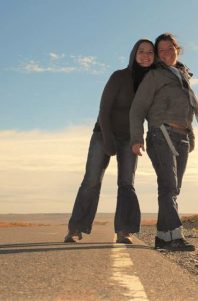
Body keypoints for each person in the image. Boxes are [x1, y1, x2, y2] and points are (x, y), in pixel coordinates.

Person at [64, 39, 155, 244]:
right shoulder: (119, 76)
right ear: (134, 54)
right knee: (92, 180)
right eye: (141, 51)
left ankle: (124, 231)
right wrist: (107, 140)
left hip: (130, 139)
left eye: (150, 52)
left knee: (126, 183)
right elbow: (104, 110)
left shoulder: (152, 83)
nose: (145, 55)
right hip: (103, 134)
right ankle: (75, 228)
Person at [130, 33, 198, 251]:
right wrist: (136, 139)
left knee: (173, 188)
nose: (166, 53)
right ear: (157, 54)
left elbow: (187, 109)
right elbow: (137, 109)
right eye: (161, 50)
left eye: (169, 48)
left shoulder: (182, 75)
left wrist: (190, 136)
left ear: (177, 49)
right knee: (168, 186)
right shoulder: (154, 76)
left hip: (181, 137)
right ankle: (175, 236)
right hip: (160, 134)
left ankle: (163, 237)